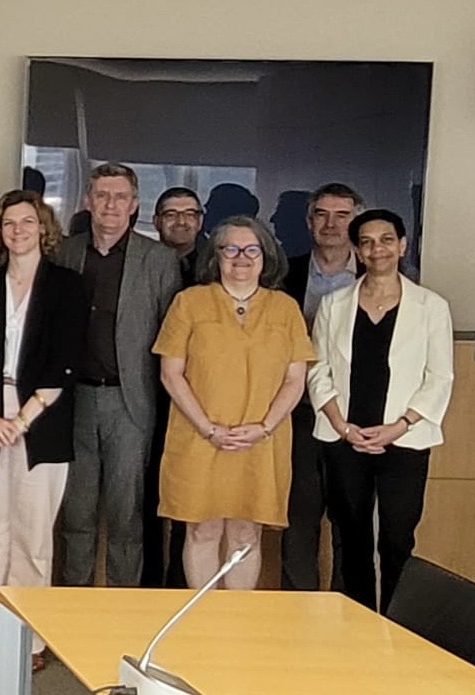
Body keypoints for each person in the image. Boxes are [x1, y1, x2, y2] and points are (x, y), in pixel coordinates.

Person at [0, 190, 83, 667]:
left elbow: (63, 364)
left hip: (42, 418)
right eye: (9, 223)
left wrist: (22, 419)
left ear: (43, 228)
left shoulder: (66, 286)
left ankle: (30, 641)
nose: (18, 231)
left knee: (32, 535)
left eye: (28, 222)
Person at [153, 216, 313, 590]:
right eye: (231, 249)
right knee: (201, 532)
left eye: (251, 249)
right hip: (199, 437)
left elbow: (295, 379)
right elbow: (171, 374)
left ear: (265, 256)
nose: (241, 257)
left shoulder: (284, 308)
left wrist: (263, 428)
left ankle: (237, 628)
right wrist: (210, 429)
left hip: (262, 440)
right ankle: (203, 624)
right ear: (216, 256)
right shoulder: (189, 303)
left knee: (246, 534)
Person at [306, 209, 454, 610]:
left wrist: (399, 427)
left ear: (402, 245)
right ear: (356, 249)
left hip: (404, 440)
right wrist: (340, 424)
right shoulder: (335, 304)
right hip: (344, 438)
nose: (378, 249)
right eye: (367, 241)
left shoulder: (431, 306)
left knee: (396, 539)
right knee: (351, 535)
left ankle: (396, 622)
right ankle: (357, 623)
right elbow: (317, 369)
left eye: (387, 239)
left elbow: (440, 377)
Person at [51, 163, 182, 587]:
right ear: (87, 201)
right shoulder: (64, 253)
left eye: (120, 197)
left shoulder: (158, 260)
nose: (110, 205)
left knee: (128, 517)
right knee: (76, 513)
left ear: (135, 205)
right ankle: (71, 612)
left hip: (131, 401)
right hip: (72, 401)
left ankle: (123, 613)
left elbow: (172, 338)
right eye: (102, 196)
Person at [277, 182, 362, 592]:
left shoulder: (381, 276)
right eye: (322, 215)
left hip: (354, 415)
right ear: (309, 222)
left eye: (342, 215)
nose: (331, 224)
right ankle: (297, 608)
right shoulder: (281, 274)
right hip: (295, 412)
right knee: (299, 517)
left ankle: (347, 612)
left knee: (351, 517)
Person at [145, 186, 203, 588]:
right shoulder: (143, 263)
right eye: (171, 214)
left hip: (204, 403)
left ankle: (180, 586)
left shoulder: (219, 269)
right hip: (147, 395)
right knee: (147, 497)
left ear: (200, 221)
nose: (180, 221)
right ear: (155, 221)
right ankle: (149, 585)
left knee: (193, 502)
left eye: (189, 213)